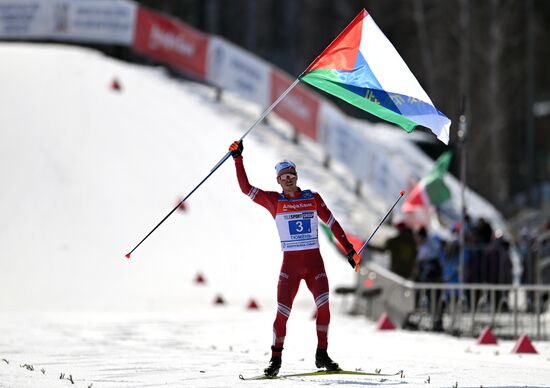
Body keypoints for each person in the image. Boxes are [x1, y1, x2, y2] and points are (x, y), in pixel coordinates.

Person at [228, 140, 357, 377]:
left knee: (325, 306)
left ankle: (322, 353)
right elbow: (246, 188)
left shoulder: (312, 198)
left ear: (297, 176)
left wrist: (349, 249)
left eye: (292, 175)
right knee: (283, 313)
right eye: (284, 176)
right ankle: (275, 359)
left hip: (314, 264)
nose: (289, 179)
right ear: (278, 180)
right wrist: (238, 158)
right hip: (291, 267)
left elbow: (332, 223)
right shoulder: (274, 201)